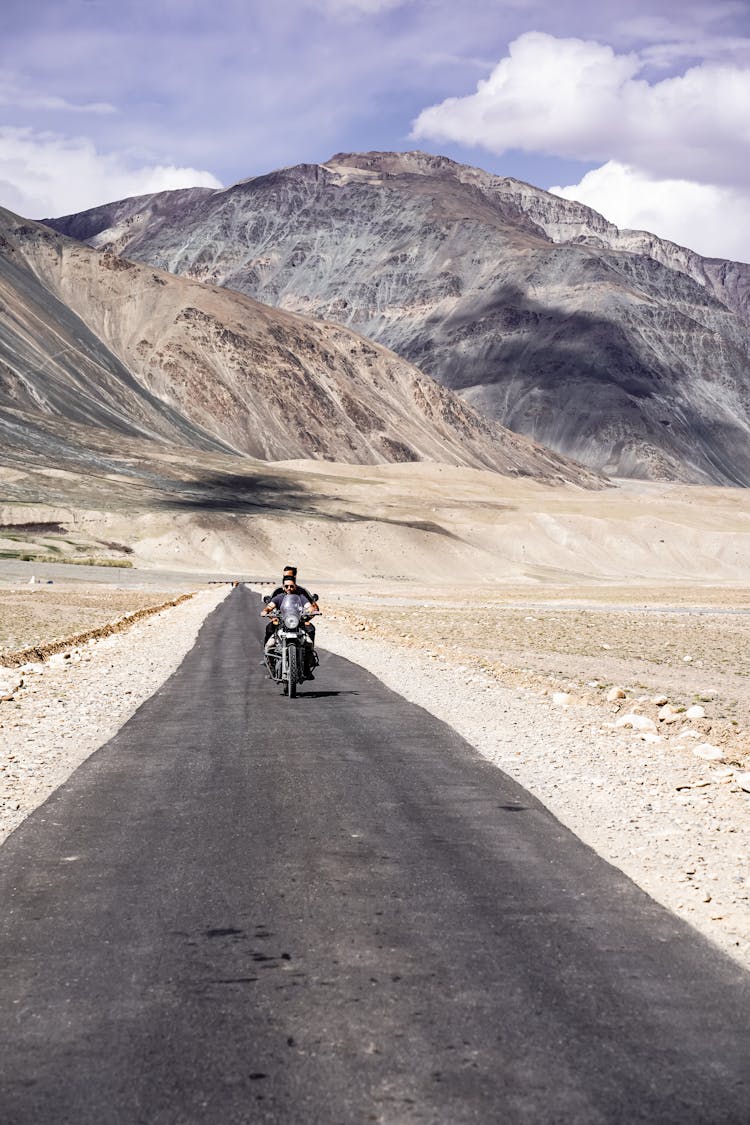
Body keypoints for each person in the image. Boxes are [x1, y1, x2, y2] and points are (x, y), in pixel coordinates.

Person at [261, 576, 318, 678]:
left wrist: (311, 611)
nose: (289, 588)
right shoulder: (278, 598)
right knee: (269, 646)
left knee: (309, 644)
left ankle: (306, 668)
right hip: (282, 626)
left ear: (295, 586)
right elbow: (269, 606)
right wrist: (265, 611)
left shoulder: (301, 598)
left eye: (291, 586)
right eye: (286, 586)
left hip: (297, 627)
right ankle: (272, 668)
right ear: (283, 587)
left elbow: (309, 607)